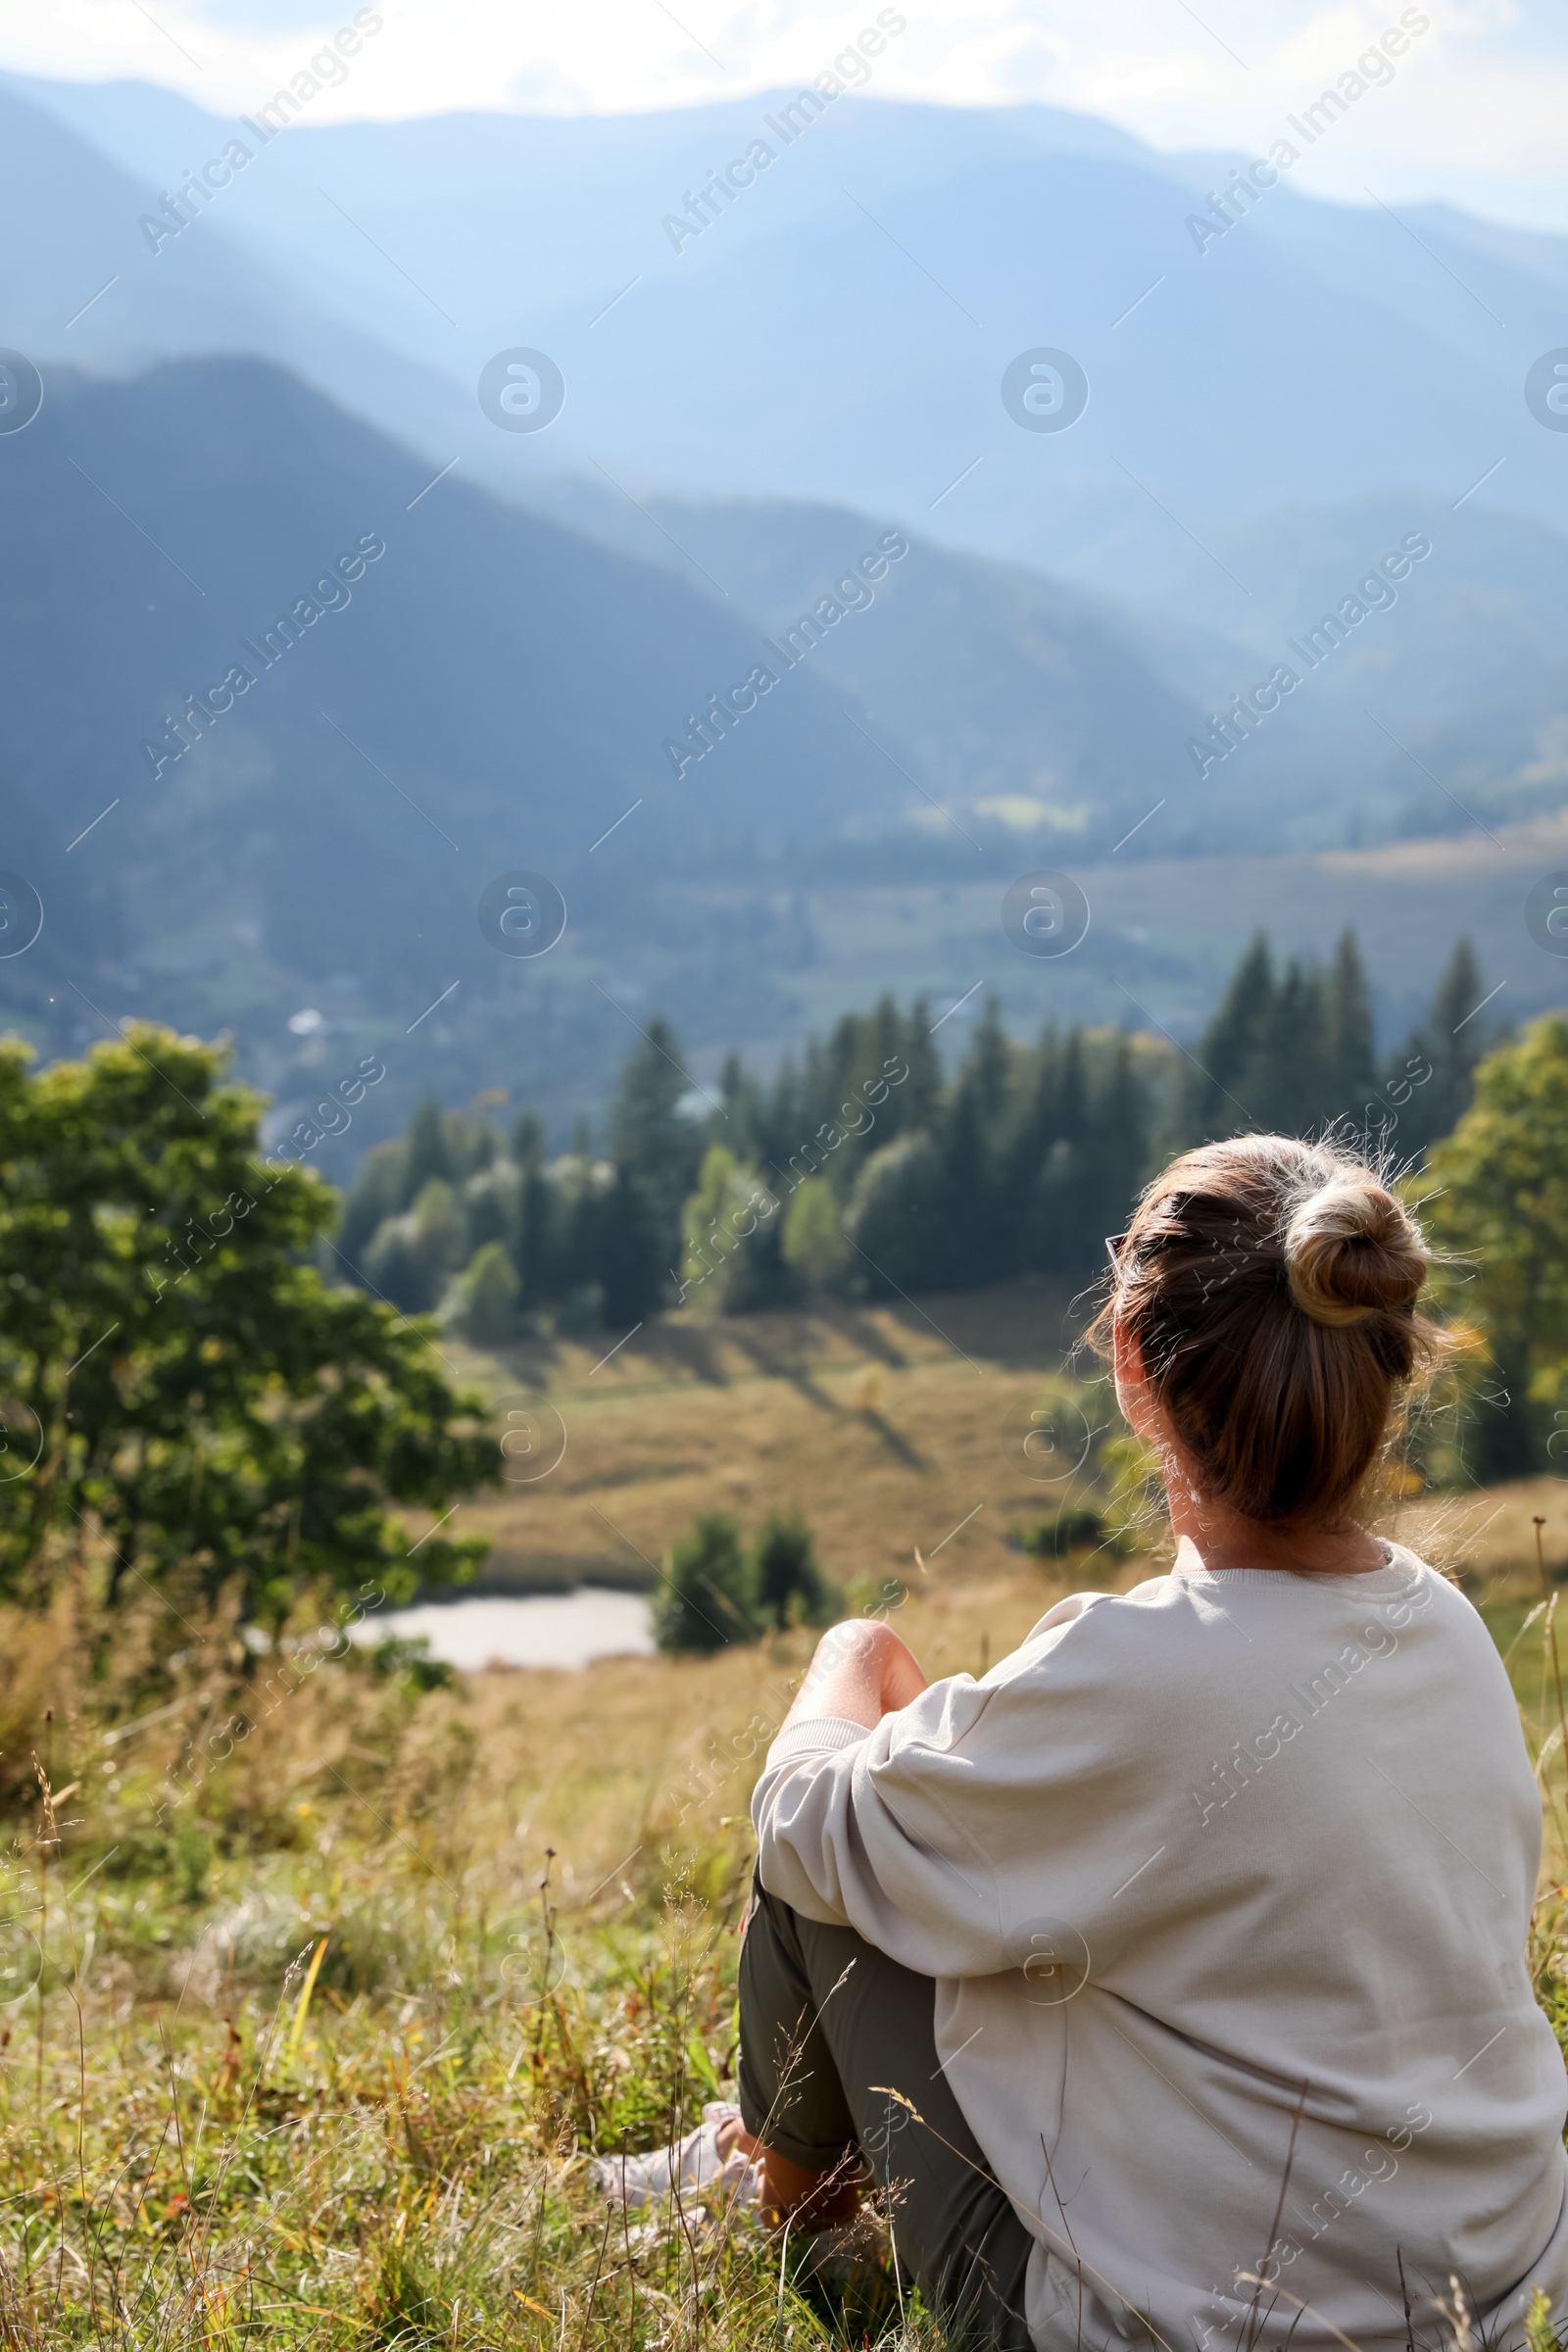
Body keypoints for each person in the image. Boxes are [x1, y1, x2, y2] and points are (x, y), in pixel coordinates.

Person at [723, 1136, 1568, 2348]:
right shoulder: (1445, 1626)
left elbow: (799, 1827)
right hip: (1499, 2293)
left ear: (1130, 1358)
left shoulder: (1135, 1671)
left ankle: (795, 2234)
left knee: (828, 1866)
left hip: (1176, 2329)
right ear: (1384, 1374)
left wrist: (857, 1657)